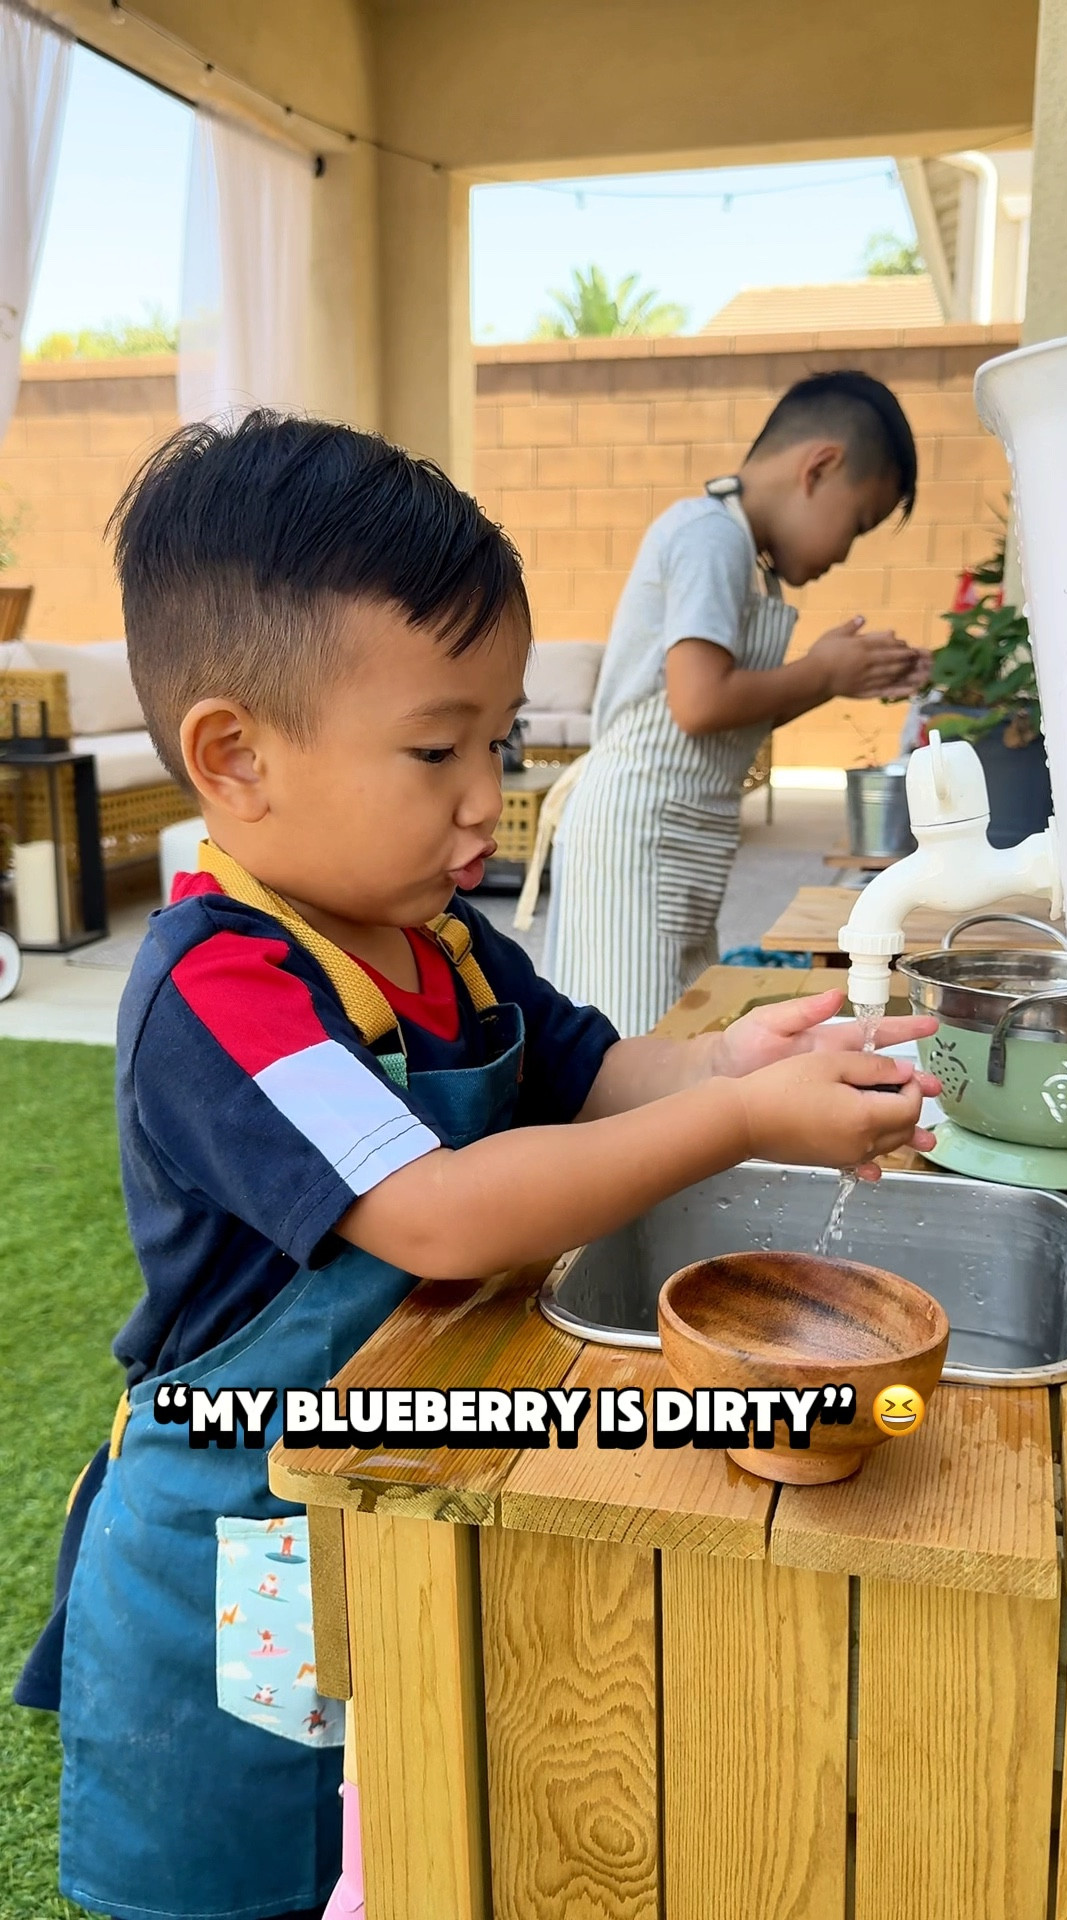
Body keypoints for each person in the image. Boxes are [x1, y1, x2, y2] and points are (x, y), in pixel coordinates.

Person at [16, 415, 937, 1920]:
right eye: (437, 748)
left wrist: (726, 1064)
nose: (480, 795)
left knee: (396, 1821)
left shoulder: (437, 936)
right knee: (241, 1861)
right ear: (235, 756)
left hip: (382, 1473)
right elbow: (435, 1219)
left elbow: (591, 1072)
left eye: (497, 741)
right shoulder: (220, 988)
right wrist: (731, 1127)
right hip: (237, 1523)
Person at [542, 370, 932, 1035]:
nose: (844, 550)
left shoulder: (740, 553)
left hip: (677, 838)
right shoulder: (710, 536)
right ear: (820, 467)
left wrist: (833, 677)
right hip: (641, 832)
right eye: (858, 523)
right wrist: (819, 671)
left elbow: (723, 712)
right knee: (637, 1046)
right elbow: (697, 702)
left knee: (684, 1032)